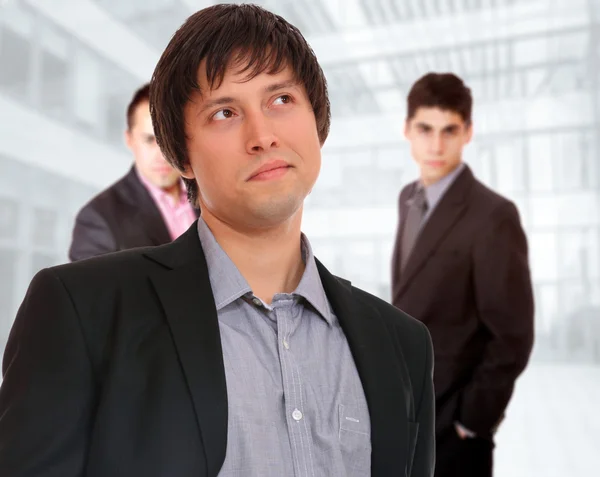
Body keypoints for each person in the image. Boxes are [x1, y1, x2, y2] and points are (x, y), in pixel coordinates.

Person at [0, 5, 434, 476]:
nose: (262, 135)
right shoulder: (84, 313)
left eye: (281, 99)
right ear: (180, 156)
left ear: (318, 121)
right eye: (224, 112)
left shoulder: (401, 346)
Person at [391, 72, 534, 477]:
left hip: (455, 428)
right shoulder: (407, 199)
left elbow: (513, 336)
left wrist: (472, 421)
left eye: (449, 131)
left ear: (468, 132)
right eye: (425, 129)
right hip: (411, 414)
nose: (436, 145)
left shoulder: (493, 216)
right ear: (407, 130)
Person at [68, 83, 198, 261]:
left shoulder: (213, 197)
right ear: (129, 140)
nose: (162, 155)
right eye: (150, 140)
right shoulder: (98, 219)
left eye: (169, 139)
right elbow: (89, 288)